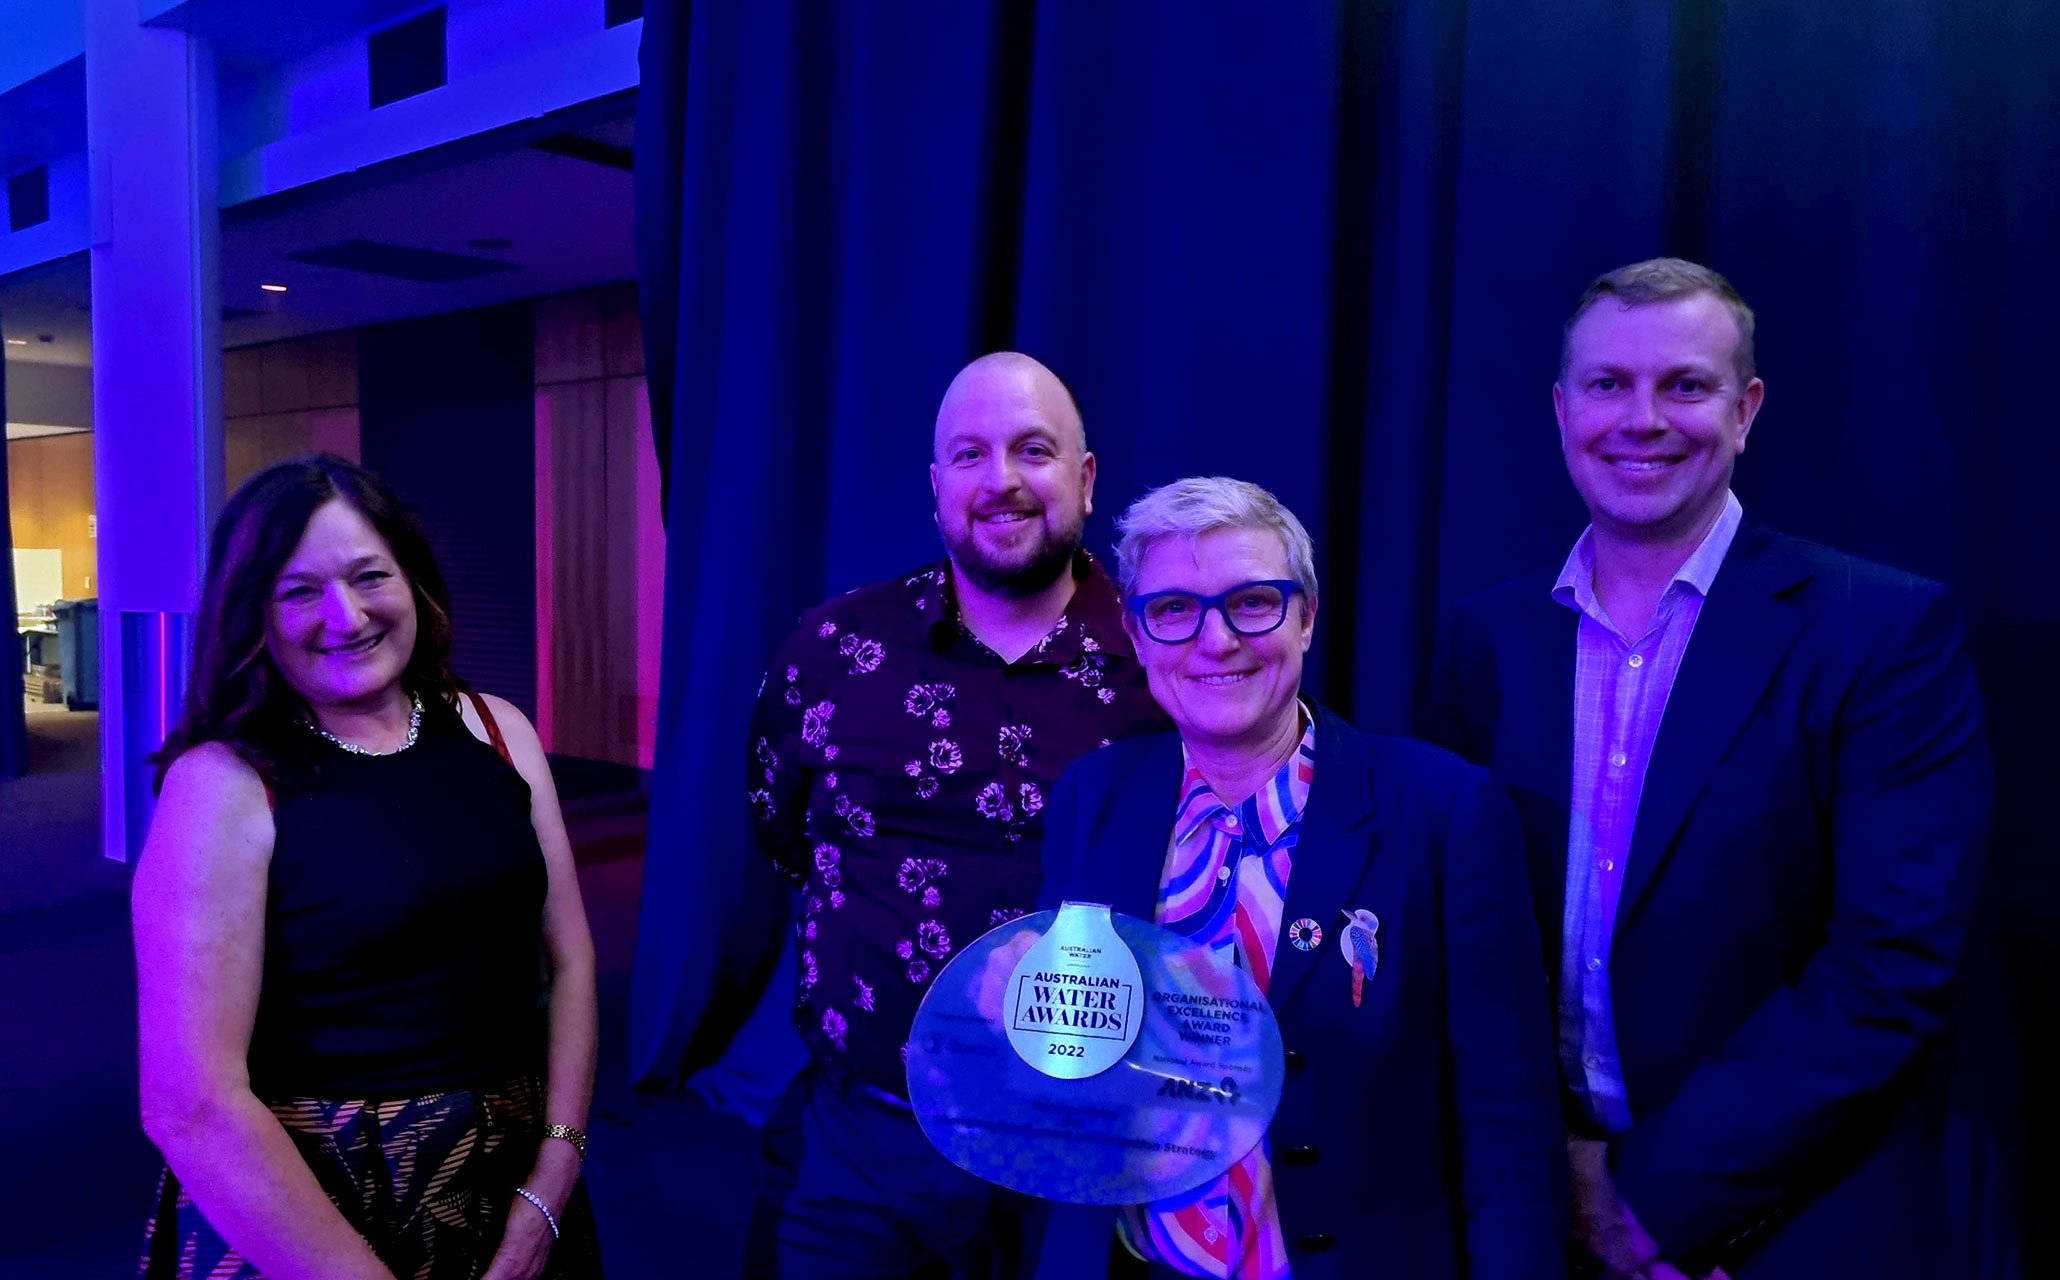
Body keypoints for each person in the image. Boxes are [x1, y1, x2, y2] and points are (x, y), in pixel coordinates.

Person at [1432, 258, 1999, 1278]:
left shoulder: (1879, 632)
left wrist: (1647, 1197)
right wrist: (1540, 1186)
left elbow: (1893, 964)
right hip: (1534, 1219)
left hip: (1792, 1220)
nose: (1639, 418)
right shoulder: (1484, 641)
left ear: (1743, 410)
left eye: (1682, 385)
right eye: (1607, 384)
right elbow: (1453, 940)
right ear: (1562, 410)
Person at [1034, 477, 1567, 1280]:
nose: (1216, 641)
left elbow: (1509, 1130)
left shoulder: (1443, 811)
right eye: (1174, 610)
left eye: (1253, 601)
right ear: (1138, 638)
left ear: (1307, 616)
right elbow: (1064, 1050)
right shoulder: (1091, 796)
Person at [744, 352, 1170, 1277]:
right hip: (865, 1141)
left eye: (1033, 450)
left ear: (1086, 479)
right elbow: (782, 834)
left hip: (1081, 1149)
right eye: (971, 457)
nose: (1003, 481)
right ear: (937, 490)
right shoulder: (831, 650)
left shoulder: (1165, 663)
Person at [133, 455, 602, 1280]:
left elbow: (569, 963)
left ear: (413, 579)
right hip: (316, 1213)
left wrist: (555, 1173)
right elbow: (191, 1105)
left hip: (517, 1189)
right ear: (255, 615)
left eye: (368, 576)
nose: (345, 616)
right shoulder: (223, 785)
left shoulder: (498, 729)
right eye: (299, 591)